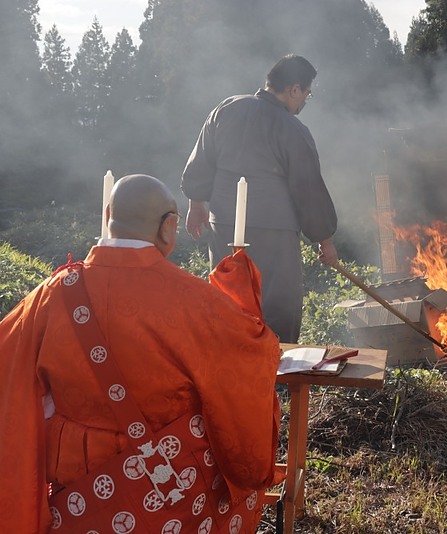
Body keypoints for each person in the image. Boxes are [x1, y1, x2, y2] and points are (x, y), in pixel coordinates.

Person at [0, 174, 284, 533]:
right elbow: (248, 357)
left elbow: (7, 368)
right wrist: (241, 294)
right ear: (169, 227)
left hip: (77, 485)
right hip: (170, 489)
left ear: (107, 217)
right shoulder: (195, 300)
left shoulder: (49, 296)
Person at [181, 53, 339, 344]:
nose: (305, 100)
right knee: (276, 306)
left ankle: (228, 373)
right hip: (273, 234)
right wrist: (325, 240)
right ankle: (272, 378)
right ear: (294, 89)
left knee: (228, 298)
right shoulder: (292, 129)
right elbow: (308, 189)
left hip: (225, 227)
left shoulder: (226, 108)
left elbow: (202, 161)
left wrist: (196, 205)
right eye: (307, 93)